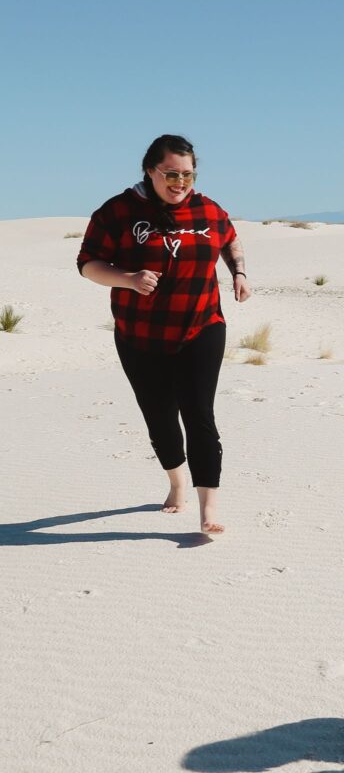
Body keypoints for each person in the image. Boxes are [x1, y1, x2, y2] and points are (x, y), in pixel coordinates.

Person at [77, 134, 251, 535]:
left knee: (199, 414)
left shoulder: (207, 209)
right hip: (140, 335)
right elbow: (87, 264)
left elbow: (230, 238)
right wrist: (127, 278)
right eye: (171, 174)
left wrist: (238, 273)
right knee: (159, 416)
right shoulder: (118, 211)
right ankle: (176, 483)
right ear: (149, 170)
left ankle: (209, 507)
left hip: (201, 326)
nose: (180, 183)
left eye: (188, 175)